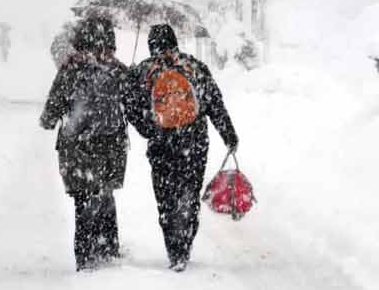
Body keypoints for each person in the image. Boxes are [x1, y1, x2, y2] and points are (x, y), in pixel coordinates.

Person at [126, 23, 239, 272]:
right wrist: (229, 135)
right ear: (175, 41)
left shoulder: (144, 71)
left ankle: (173, 249)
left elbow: (131, 108)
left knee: (166, 199)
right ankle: (185, 243)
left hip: (161, 145)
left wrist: (148, 128)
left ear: (151, 44)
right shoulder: (195, 67)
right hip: (194, 143)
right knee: (189, 195)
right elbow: (215, 104)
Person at [39, 16, 130, 271]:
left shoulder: (70, 71)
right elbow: (136, 108)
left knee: (84, 201)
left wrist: (54, 118)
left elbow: (49, 116)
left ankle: (86, 257)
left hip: (76, 149)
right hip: (111, 149)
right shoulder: (118, 70)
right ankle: (108, 247)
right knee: (104, 194)